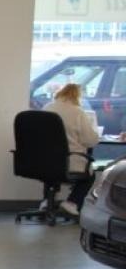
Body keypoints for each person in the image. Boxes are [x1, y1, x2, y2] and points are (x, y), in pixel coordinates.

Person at [43, 83, 100, 216]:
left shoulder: (47, 108)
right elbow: (90, 140)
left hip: (44, 161)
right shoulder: (78, 112)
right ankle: (72, 202)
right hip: (69, 161)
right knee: (89, 176)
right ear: (77, 96)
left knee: (50, 173)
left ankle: (47, 201)